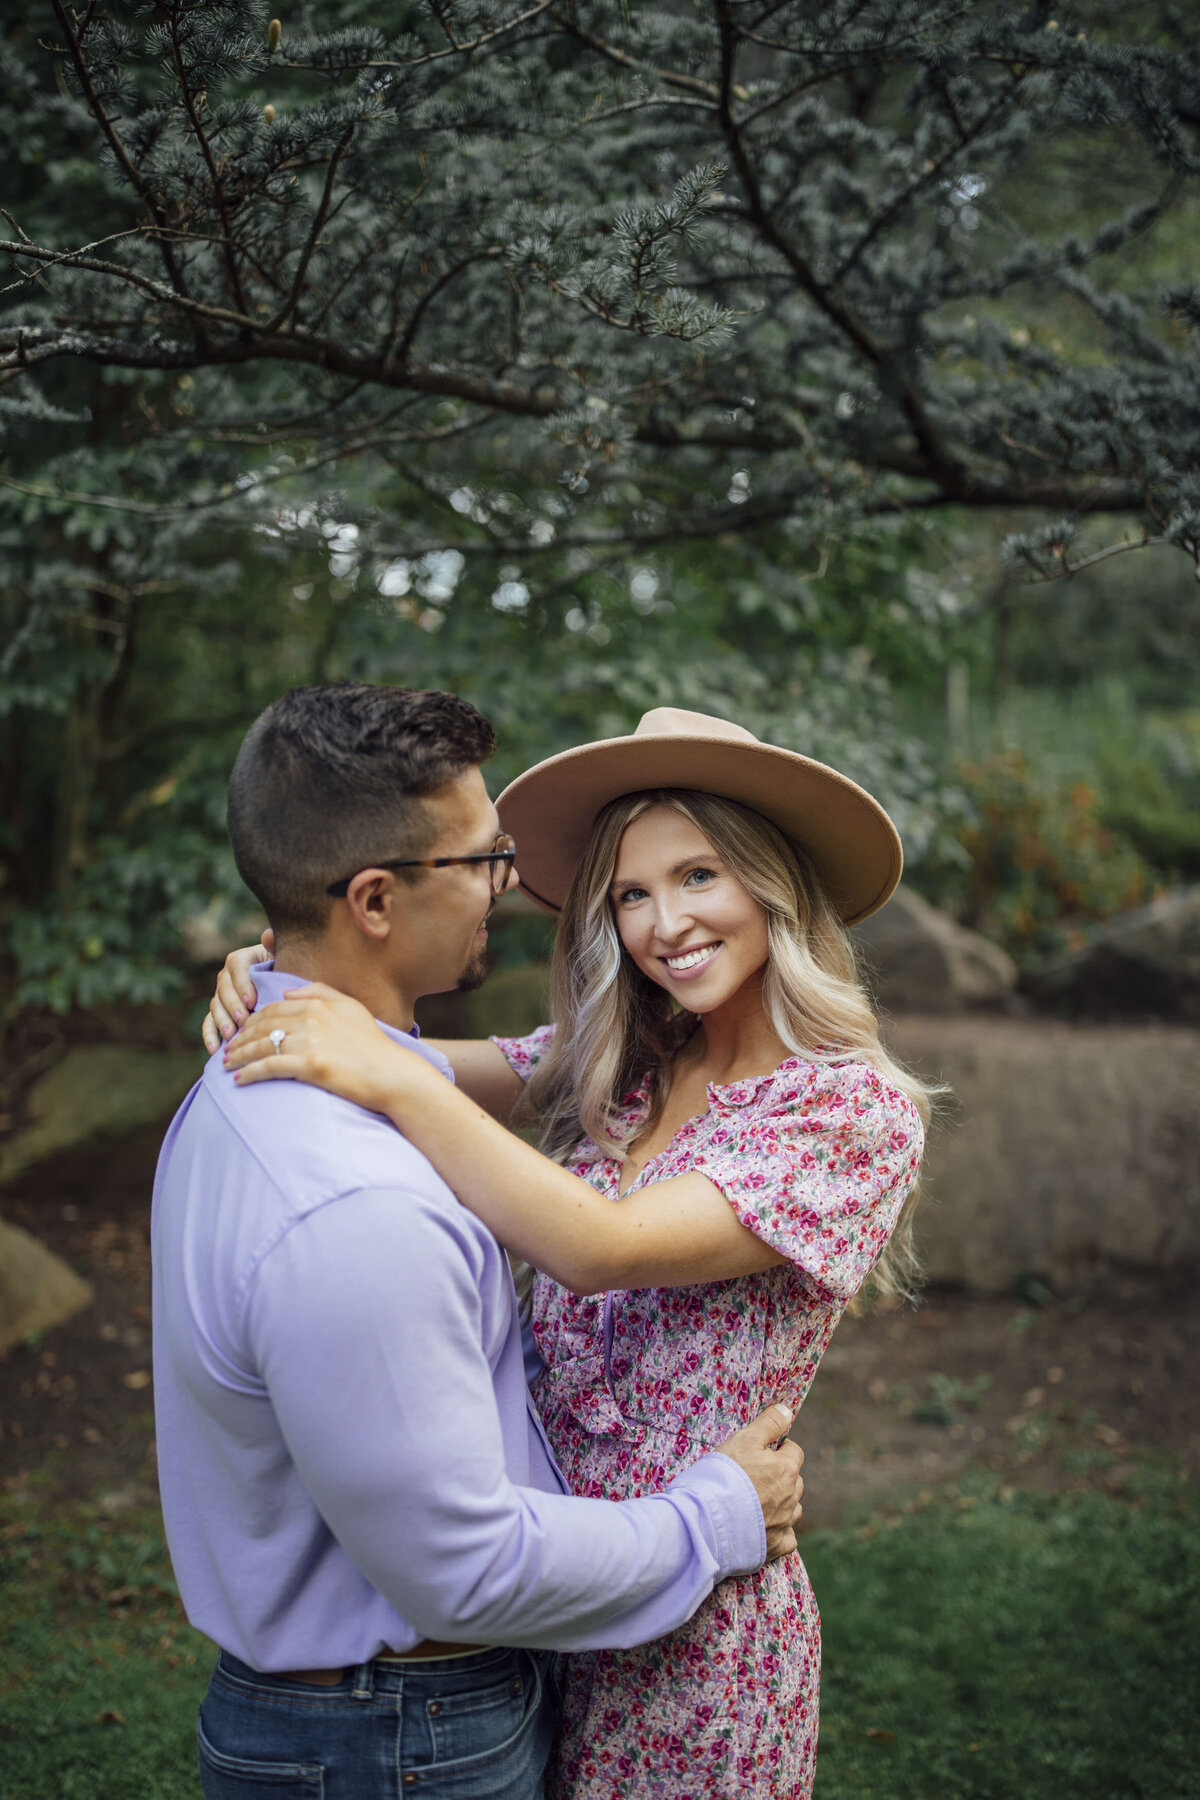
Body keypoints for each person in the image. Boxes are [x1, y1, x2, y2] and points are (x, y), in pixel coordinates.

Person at [213, 704, 931, 1800]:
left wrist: (383, 1066)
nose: (662, 923)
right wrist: (278, 983)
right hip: (547, 1599)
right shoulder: (630, 1059)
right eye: (631, 893)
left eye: (698, 877)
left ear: (772, 883)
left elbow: (603, 1246)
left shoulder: (849, 1112)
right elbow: (397, 1048)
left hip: (692, 1634)